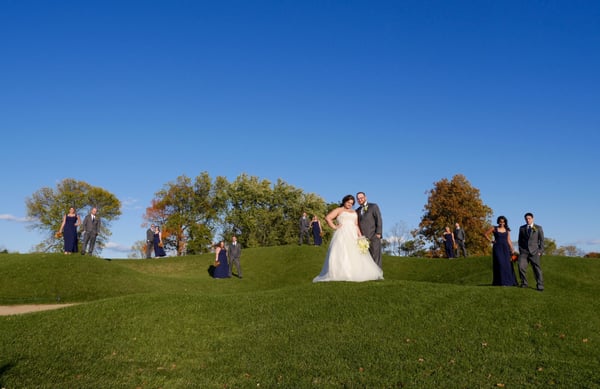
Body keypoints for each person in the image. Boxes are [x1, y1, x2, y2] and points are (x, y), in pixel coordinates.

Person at [313, 194, 383, 282]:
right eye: (348, 202)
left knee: (354, 253)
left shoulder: (354, 212)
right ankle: (341, 273)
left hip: (353, 234)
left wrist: (360, 236)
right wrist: (334, 227)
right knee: (342, 253)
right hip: (342, 233)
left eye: (352, 203)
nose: (350, 204)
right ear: (344, 201)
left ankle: (355, 273)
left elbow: (356, 225)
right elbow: (328, 218)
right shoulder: (339, 210)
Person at [485, 216, 517, 286]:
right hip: (497, 248)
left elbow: (509, 240)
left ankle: (509, 282)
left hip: (506, 248)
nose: (502, 223)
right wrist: (491, 241)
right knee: (500, 264)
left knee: (507, 265)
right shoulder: (494, 228)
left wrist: (512, 248)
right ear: (498, 221)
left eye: (503, 222)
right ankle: (500, 282)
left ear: (505, 222)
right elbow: (485, 234)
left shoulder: (507, 230)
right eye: (500, 221)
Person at [517, 212, 545, 291]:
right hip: (524, 252)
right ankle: (524, 283)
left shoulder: (538, 228)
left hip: (535, 252)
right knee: (521, 266)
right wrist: (521, 249)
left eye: (529, 218)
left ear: (532, 219)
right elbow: (520, 240)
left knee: (537, 269)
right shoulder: (522, 228)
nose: (527, 220)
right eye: (526, 219)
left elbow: (542, 241)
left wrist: (540, 251)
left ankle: (540, 285)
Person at [356, 192, 383, 268]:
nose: (360, 199)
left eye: (361, 198)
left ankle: (378, 275)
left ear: (365, 197)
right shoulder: (357, 210)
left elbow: (379, 219)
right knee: (365, 258)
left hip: (374, 236)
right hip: (363, 239)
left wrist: (378, 233)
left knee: (375, 257)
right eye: (358, 198)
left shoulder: (373, 206)